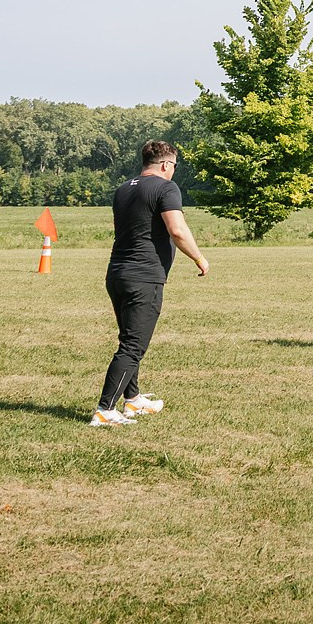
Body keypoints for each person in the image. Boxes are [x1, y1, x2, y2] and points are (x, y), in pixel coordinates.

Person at [94, 140, 209, 428]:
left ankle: (132, 399)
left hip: (117, 273)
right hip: (144, 276)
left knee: (128, 339)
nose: (174, 171)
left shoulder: (124, 188)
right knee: (133, 346)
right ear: (166, 164)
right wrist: (199, 257)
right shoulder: (166, 188)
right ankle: (105, 410)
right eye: (174, 166)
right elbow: (177, 230)